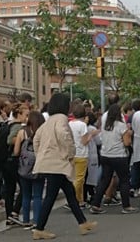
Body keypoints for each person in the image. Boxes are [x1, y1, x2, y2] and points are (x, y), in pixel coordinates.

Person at [32, 93, 97, 240]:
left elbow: (36, 138)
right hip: (58, 164)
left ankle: (83, 222)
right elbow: (63, 135)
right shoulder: (61, 119)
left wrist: (40, 155)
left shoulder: (48, 121)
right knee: (51, 197)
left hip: (49, 162)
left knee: (70, 194)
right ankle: (39, 228)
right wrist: (70, 152)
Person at [90, 103, 136, 215]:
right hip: (119, 155)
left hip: (105, 155)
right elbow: (126, 142)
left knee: (105, 180)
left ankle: (96, 204)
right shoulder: (121, 125)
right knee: (124, 180)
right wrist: (129, 133)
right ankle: (126, 206)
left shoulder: (106, 126)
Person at [13, 110, 45, 229]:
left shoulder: (22, 132)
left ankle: (26, 220)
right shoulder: (43, 133)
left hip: (24, 169)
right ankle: (37, 221)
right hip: (39, 168)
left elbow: (16, 152)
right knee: (37, 196)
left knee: (26, 195)